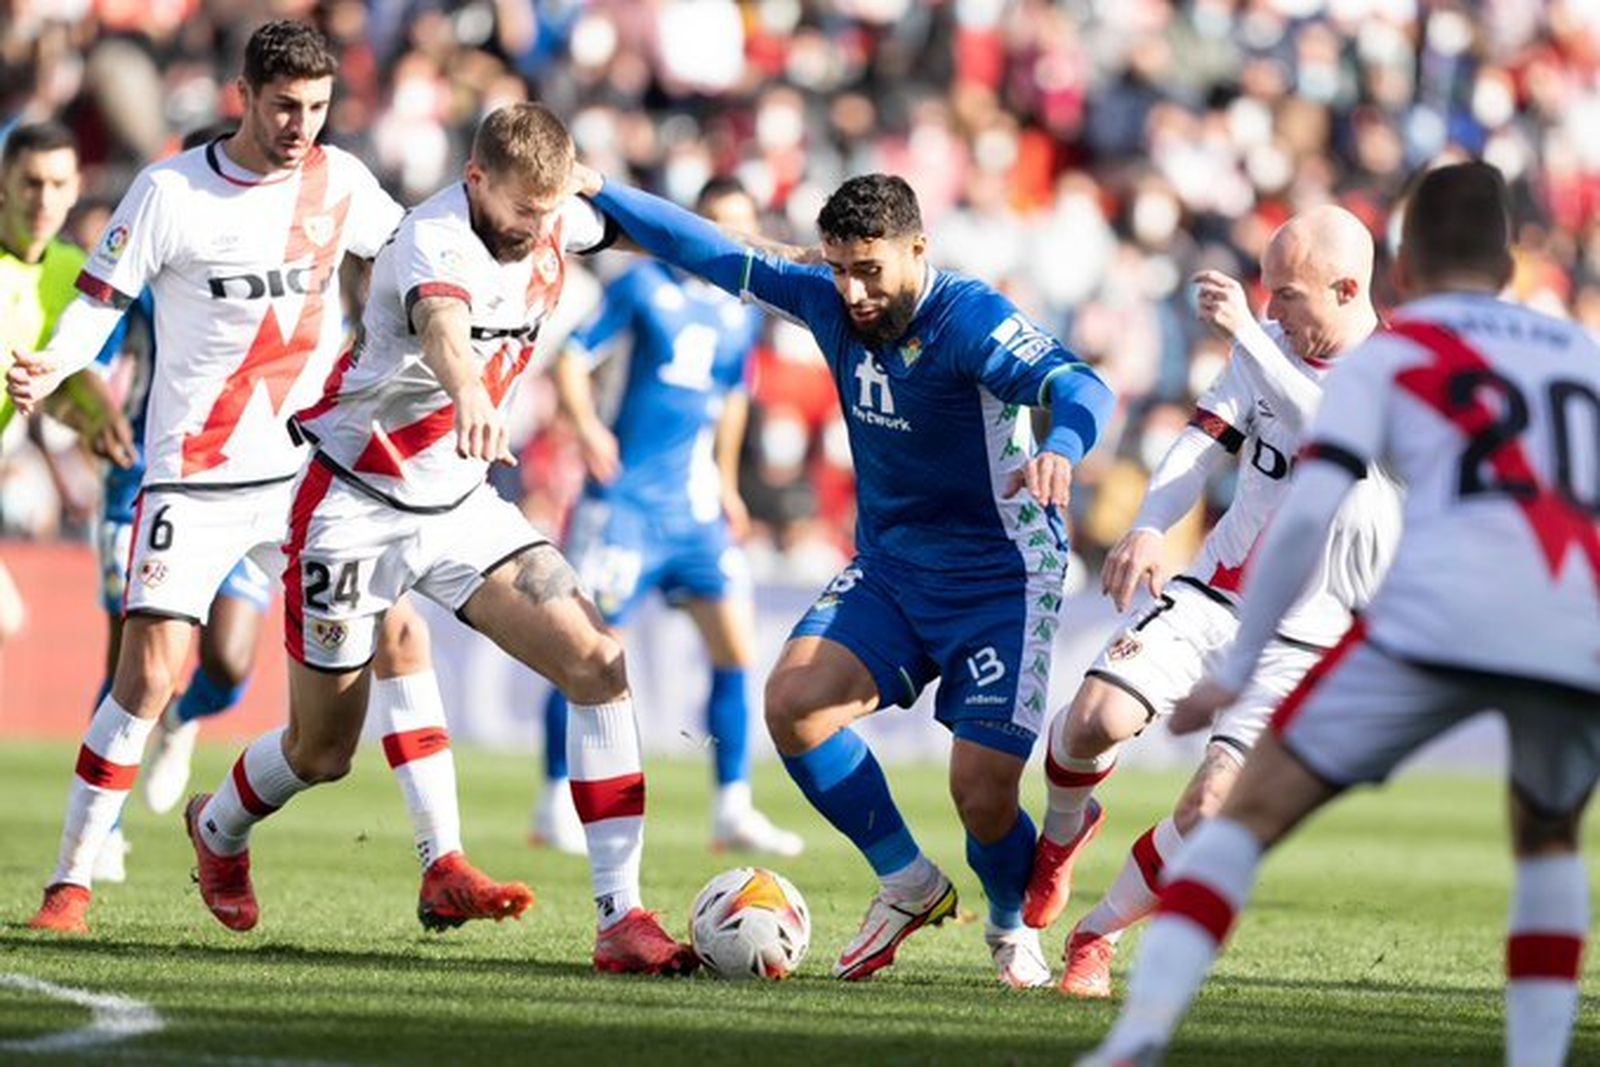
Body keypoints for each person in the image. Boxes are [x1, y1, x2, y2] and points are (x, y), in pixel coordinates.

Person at [11, 21, 528, 935]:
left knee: (399, 633)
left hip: (308, 472)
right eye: (285, 105)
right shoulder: (170, 191)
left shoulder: (343, 182)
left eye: (318, 107)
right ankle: (70, 883)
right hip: (193, 474)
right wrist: (56, 363)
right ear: (242, 96)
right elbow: (99, 301)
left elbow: (421, 254)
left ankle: (441, 861)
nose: (301, 125)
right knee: (151, 674)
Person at [1081, 161, 1599, 1067]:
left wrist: (1237, 669)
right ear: (1506, 261)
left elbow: (1311, 509)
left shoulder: (1399, 356)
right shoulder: (1574, 350)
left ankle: (1137, 1037)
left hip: (1421, 622)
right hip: (1559, 621)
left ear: (1406, 268)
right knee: (1550, 841)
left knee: (1245, 813)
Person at [184, 102, 697, 975]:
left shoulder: (549, 217)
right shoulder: (432, 239)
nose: (539, 227)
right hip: (353, 504)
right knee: (322, 751)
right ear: (475, 180)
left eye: (550, 210)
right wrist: (470, 396)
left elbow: (651, 232)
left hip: (459, 502)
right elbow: (445, 331)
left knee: (598, 662)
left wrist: (760, 261)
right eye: (524, 209)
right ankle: (218, 825)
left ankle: (621, 917)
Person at [585, 169, 1117, 986]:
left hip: (1000, 577)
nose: (854, 292)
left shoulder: (970, 318)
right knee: (794, 704)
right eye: (839, 269)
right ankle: (909, 883)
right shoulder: (827, 300)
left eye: (870, 270)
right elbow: (707, 250)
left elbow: (1082, 385)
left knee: (980, 793)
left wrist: (1061, 447)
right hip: (892, 567)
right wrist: (597, 186)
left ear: (918, 248)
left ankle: (1012, 930)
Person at [1024, 207, 1402, 998]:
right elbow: (1201, 443)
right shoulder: (1269, 347)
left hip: (1311, 635)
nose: (1271, 310)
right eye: (1266, 292)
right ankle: (1062, 836)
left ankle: (1096, 934)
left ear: (1346, 288)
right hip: (1218, 594)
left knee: (1211, 804)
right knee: (1094, 719)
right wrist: (1149, 526)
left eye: (1288, 294)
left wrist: (1250, 339)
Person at [531, 176, 802, 859]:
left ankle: (732, 806)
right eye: (716, 223)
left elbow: (731, 397)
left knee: (736, 648)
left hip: (696, 510)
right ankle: (555, 798)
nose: (729, 237)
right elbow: (571, 357)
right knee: (589, 651)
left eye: (741, 225)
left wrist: (728, 483)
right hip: (625, 504)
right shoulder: (642, 286)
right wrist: (587, 428)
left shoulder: (742, 310)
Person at [0, 121, 134, 650]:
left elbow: (61, 388)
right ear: (4, 183)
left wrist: (100, 419)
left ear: (77, 188)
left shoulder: (73, 272)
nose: (44, 200)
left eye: (57, 184)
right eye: (31, 182)